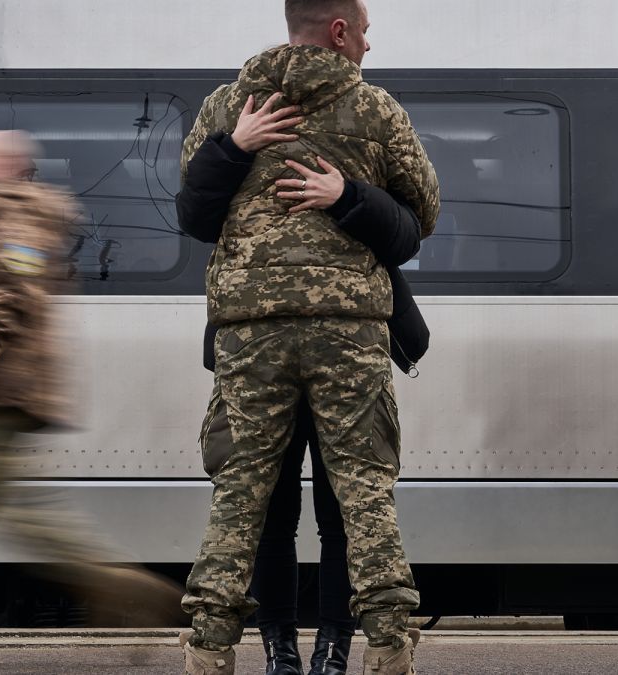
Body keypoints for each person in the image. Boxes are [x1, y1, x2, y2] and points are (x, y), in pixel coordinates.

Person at [178, 0, 440, 673]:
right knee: (364, 491)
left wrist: (341, 190)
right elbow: (423, 218)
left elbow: (193, 216)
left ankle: (208, 650)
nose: (369, 48)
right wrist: (238, 151)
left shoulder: (226, 104)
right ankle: (387, 646)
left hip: (249, 335)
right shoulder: (375, 110)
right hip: (347, 334)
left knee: (242, 493)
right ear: (340, 31)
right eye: (367, 33)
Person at [0, 130, 182, 669]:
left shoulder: (15, 214)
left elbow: (11, 293)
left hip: (0, 388)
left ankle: (121, 587)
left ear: (6, 165)